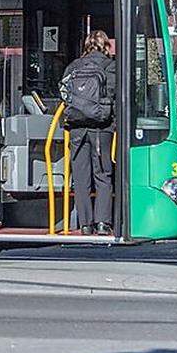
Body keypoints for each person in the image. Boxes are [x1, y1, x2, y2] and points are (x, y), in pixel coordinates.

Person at [60, 30, 117, 236]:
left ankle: (85, 224)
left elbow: (64, 92)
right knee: (102, 175)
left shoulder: (74, 66)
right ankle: (103, 222)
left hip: (76, 128)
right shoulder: (111, 66)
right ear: (105, 46)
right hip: (102, 129)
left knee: (81, 177)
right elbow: (114, 95)